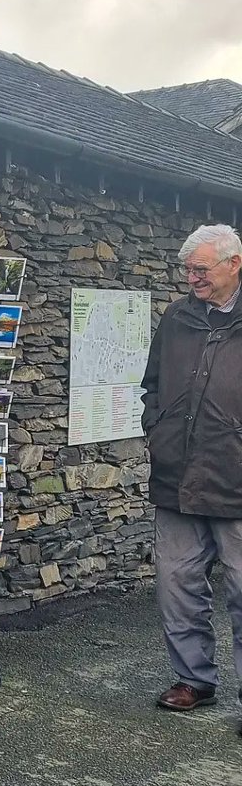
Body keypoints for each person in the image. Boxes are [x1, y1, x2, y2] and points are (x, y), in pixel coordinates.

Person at [141, 223, 242, 732]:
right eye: (188, 269)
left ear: (233, 264)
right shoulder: (177, 317)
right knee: (176, 585)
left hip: (237, 482)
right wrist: (155, 428)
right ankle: (193, 680)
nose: (192, 278)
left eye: (201, 269)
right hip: (177, 478)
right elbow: (152, 385)